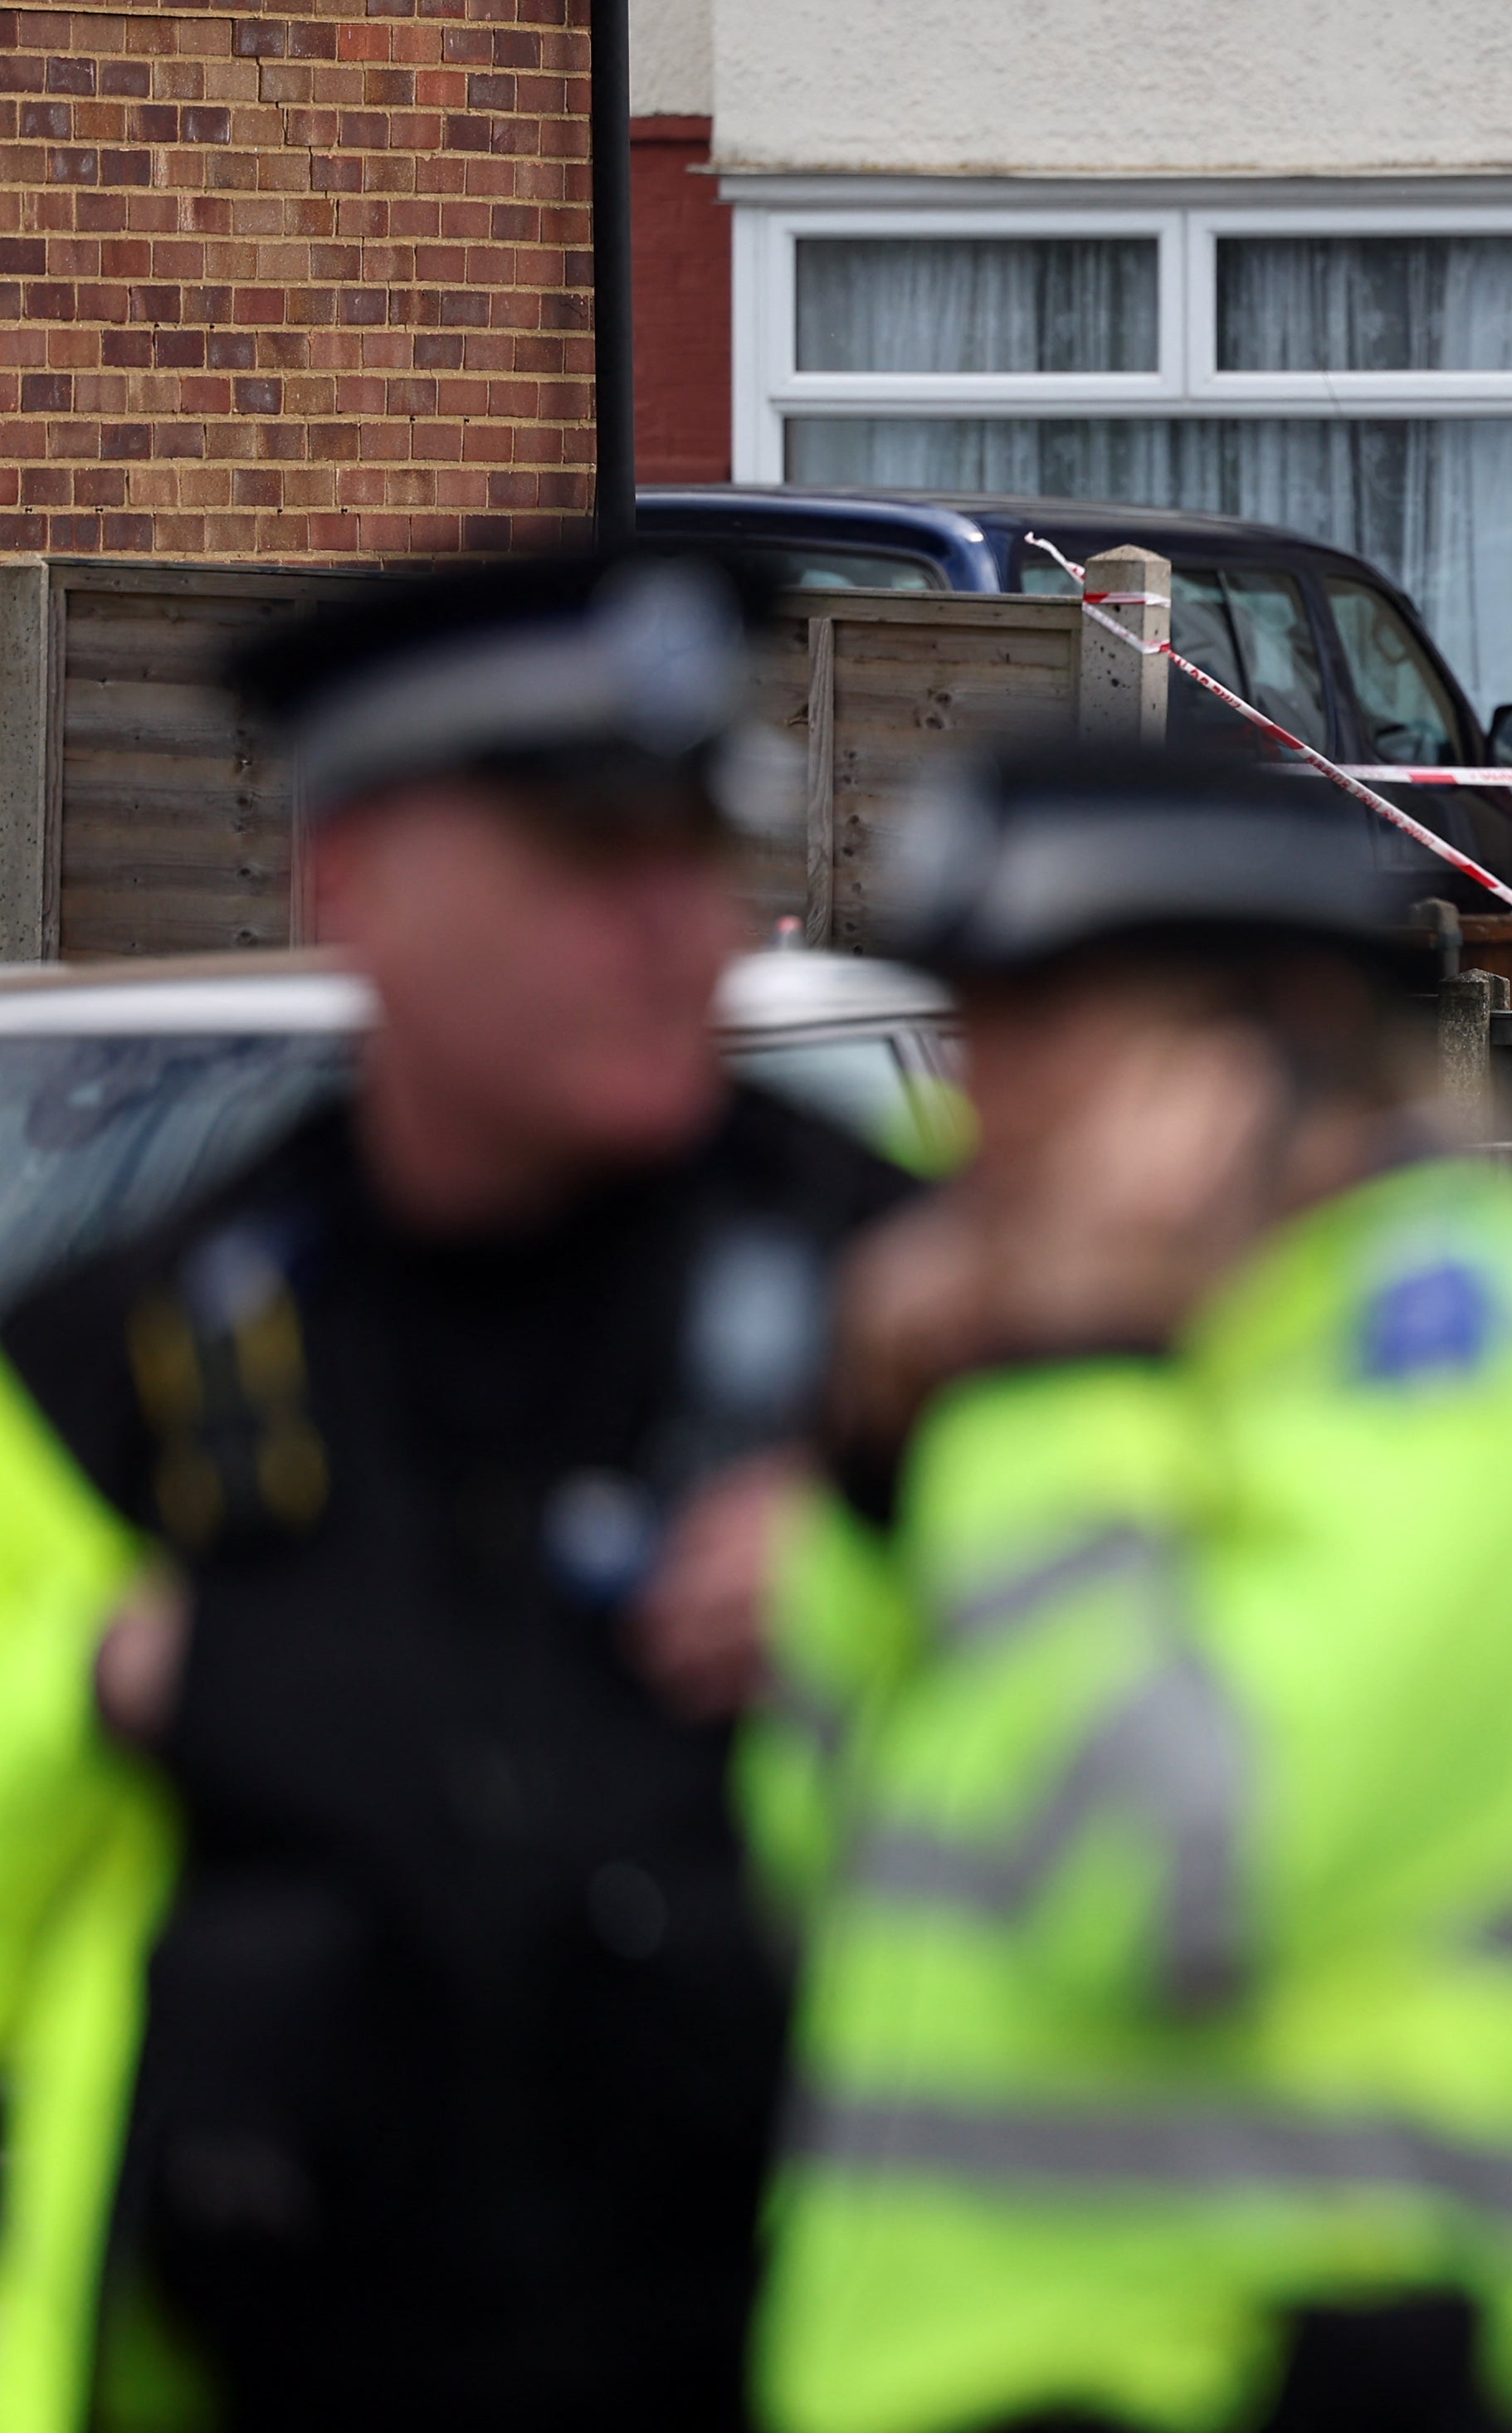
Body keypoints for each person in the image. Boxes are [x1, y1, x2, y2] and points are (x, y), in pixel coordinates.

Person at [744, 744, 1512, 2433]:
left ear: (1271, 1052)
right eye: (964, 1027)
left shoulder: (1460, 1384)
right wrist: (863, 1512)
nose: (969, 1100)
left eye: (1039, 1034)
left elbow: (1165, 1882)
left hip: (1298, 2378)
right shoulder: (1159, 1380)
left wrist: (1041, 1392)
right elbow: (830, 1877)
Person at [0, 554, 915, 2431]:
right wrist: (128, 1684)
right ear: (353, 886)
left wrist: (879, 1603)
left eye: (697, 855)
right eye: (592, 866)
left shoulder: (906, 1309)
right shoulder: (124, 1358)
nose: (682, 934)